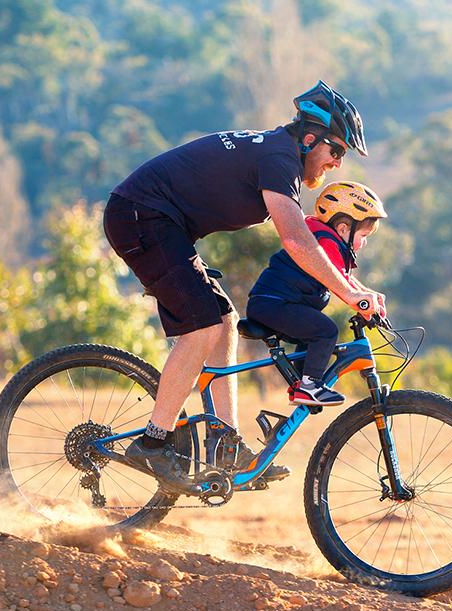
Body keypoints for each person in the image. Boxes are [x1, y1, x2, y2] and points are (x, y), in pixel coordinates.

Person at [102, 81, 384, 495]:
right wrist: (348, 295)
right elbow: (296, 240)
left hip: (161, 222)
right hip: (141, 216)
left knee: (224, 321)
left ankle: (225, 444)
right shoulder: (279, 159)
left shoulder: (279, 156)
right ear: (310, 139)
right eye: (336, 151)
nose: (337, 164)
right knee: (201, 326)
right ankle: (154, 441)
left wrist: (352, 286)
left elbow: (308, 242)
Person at [246, 181, 387, 406]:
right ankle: (310, 386)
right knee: (326, 331)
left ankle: (303, 385)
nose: (365, 241)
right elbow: (339, 284)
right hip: (275, 304)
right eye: (363, 234)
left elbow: (344, 279)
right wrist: (359, 301)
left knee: (314, 332)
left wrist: (370, 297)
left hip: (271, 304)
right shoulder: (327, 243)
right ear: (343, 229)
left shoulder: (325, 240)